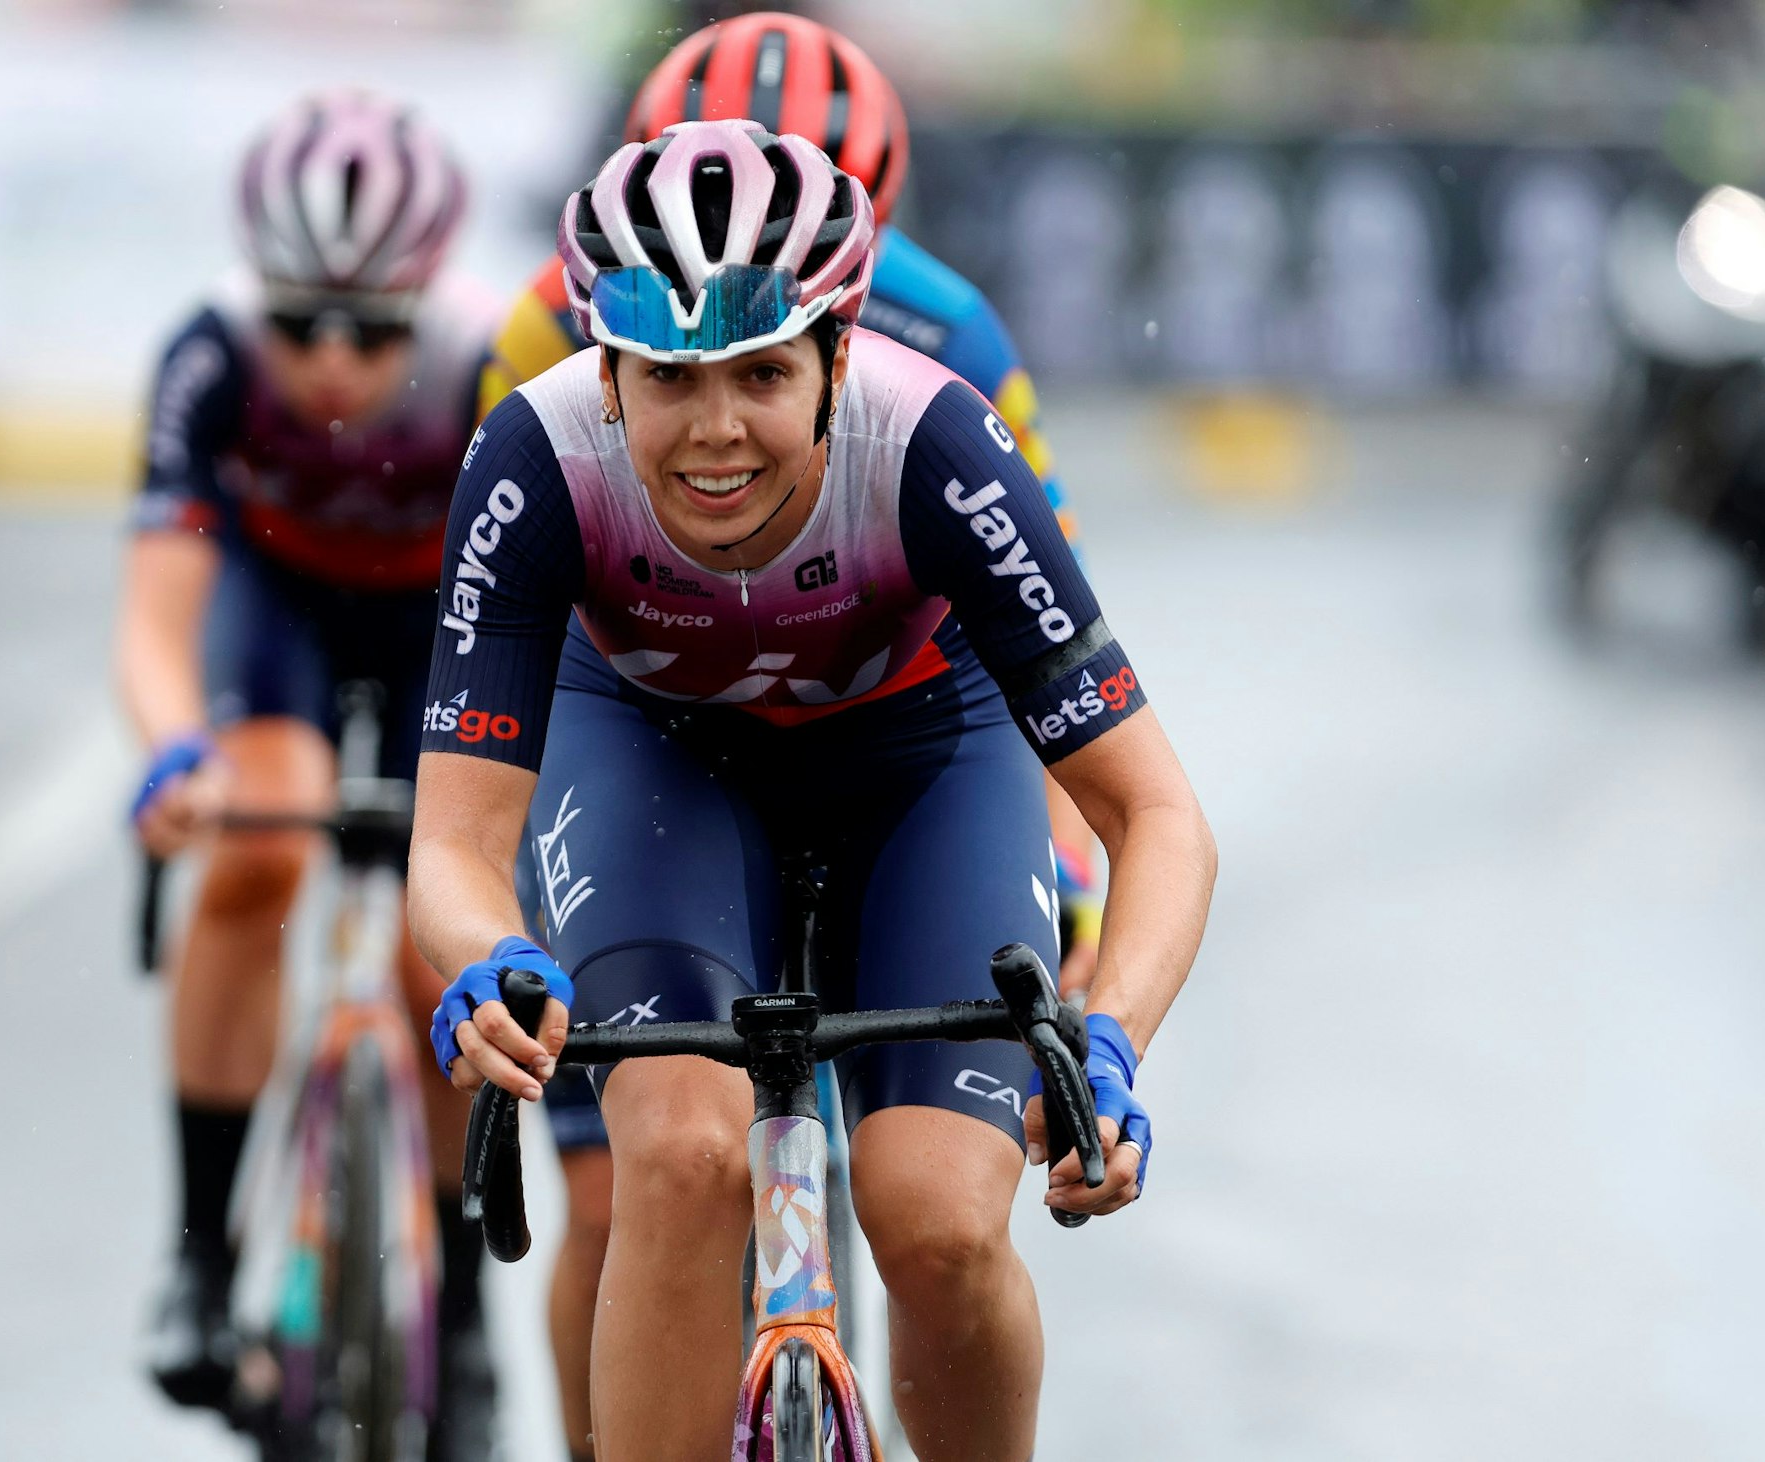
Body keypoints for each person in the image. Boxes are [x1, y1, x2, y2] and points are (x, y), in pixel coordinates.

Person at [415, 120, 1216, 1460]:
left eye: (761, 372)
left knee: (940, 1224)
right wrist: (478, 957)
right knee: (672, 1158)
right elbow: (451, 842)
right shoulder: (532, 460)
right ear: (603, 375)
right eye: (669, 379)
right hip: (652, 760)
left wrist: (1113, 1037)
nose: (715, 428)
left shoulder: (938, 444)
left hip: (916, 764)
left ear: (838, 360)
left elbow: (1158, 817)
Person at [114, 90, 499, 1453]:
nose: (332, 363)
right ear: (252, 300)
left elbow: (542, 608)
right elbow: (156, 616)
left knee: (438, 957)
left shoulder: (486, 360)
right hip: (276, 611)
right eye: (300, 325)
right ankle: (200, 1255)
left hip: (440, 627)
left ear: (427, 300)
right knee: (261, 845)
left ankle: (455, 1308)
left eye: (372, 330)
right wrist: (173, 755)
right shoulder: (205, 355)